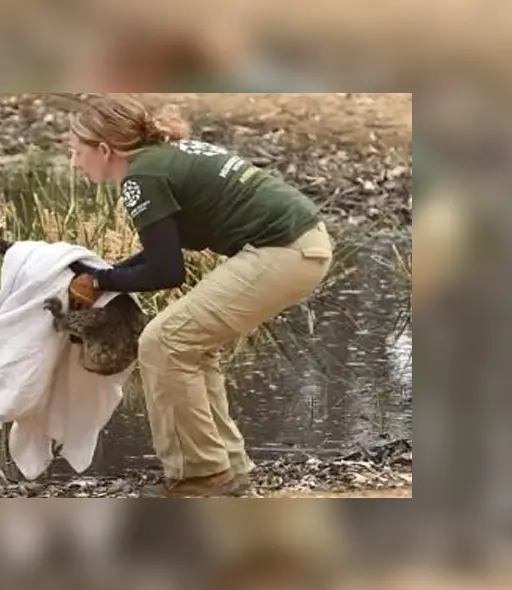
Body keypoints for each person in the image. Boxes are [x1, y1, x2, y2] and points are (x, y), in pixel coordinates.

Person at [65, 95, 334, 498]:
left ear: (104, 150)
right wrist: (106, 274)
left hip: (284, 249)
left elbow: (166, 272)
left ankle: (201, 478)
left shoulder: (142, 179)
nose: (73, 161)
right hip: (299, 244)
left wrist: (102, 281)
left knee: (164, 342)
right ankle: (227, 468)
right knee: (189, 347)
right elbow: (164, 252)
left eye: (76, 151)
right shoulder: (162, 158)